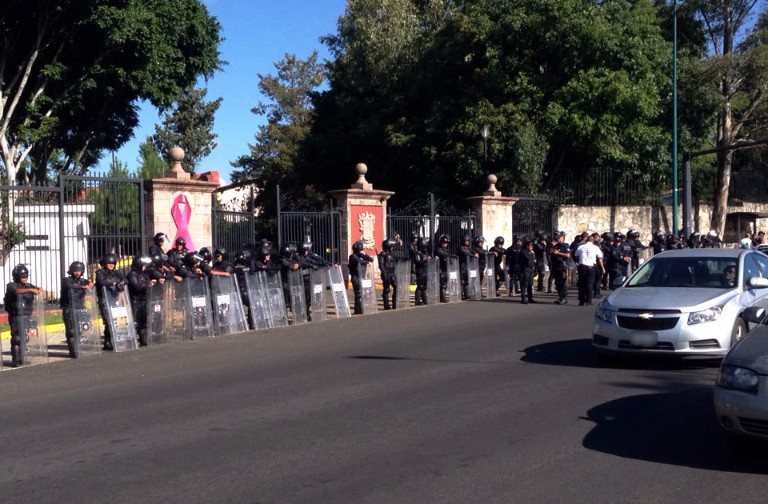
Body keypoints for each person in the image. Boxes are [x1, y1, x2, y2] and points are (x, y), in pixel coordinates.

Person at [4, 264, 43, 366]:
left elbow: (37, 289)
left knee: (24, 338)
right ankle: (15, 360)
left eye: (26, 276)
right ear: (17, 277)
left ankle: (23, 358)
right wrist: (31, 290)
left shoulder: (29, 285)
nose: (25, 278)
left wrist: (39, 290)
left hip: (26, 315)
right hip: (16, 316)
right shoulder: (11, 285)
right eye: (23, 276)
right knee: (17, 338)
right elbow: (16, 291)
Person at [60, 261, 95, 358]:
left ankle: (78, 349)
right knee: (71, 331)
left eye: (79, 271)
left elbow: (90, 284)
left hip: (80, 308)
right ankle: (73, 352)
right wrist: (83, 287)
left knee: (79, 331)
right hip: (69, 309)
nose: (77, 273)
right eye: (75, 271)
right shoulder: (66, 280)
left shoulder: (83, 281)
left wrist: (90, 284)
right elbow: (69, 286)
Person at [95, 253, 127, 350]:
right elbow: (101, 282)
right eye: (109, 263)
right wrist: (113, 283)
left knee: (115, 320)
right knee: (108, 321)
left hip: (114, 299)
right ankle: (107, 341)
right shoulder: (100, 273)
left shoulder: (117, 272)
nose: (111, 265)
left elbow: (126, 280)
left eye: (113, 263)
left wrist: (121, 283)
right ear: (105, 264)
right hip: (104, 299)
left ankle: (113, 340)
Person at [126, 256, 153, 346]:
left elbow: (147, 281)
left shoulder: (142, 274)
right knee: (135, 321)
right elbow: (137, 286)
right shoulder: (132, 274)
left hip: (143, 299)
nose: (144, 266)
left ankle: (143, 339)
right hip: (135, 300)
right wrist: (148, 285)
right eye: (143, 265)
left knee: (144, 320)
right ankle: (132, 340)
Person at [574, 235, 605, 306]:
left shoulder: (581, 247)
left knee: (582, 283)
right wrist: (603, 268)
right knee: (589, 284)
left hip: (582, 266)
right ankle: (588, 301)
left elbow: (576, 255)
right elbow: (600, 257)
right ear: (593, 241)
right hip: (591, 267)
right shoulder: (595, 247)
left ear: (586, 240)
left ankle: (581, 301)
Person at [348, 240, 374, 314]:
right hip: (356, 277)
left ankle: (359, 309)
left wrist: (364, 255)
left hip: (362, 277)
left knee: (362, 294)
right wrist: (366, 261)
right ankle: (359, 310)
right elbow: (358, 262)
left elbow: (371, 259)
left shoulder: (361, 256)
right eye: (360, 250)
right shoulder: (353, 256)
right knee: (358, 294)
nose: (361, 251)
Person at [550, 232, 570, 304]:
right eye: (557, 237)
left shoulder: (565, 246)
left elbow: (568, 255)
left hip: (562, 266)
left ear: (562, 238)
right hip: (555, 266)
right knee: (557, 283)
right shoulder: (555, 246)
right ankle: (560, 297)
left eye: (559, 237)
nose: (557, 239)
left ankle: (564, 298)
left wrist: (558, 253)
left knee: (562, 283)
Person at [378, 239, 398, 310]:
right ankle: (386, 305)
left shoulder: (392, 254)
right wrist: (384, 274)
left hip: (392, 273)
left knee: (396, 287)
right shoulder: (382, 254)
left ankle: (395, 304)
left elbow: (397, 260)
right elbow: (381, 265)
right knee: (386, 289)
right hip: (386, 273)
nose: (392, 248)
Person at [434, 234, 454, 303]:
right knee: (442, 284)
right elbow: (443, 254)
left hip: (445, 268)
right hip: (440, 269)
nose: (445, 244)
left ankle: (443, 296)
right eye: (444, 243)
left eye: (446, 243)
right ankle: (442, 298)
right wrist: (451, 256)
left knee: (445, 284)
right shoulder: (438, 249)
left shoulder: (446, 250)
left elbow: (447, 257)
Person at [518, 239, 537, 304]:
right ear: (526, 246)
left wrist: (533, 257)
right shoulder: (523, 252)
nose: (531, 247)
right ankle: (523, 298)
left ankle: (530, 298)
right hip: (525, 269)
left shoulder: (532, 253)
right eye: (530, 246)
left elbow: (534, 261)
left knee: (530, 283)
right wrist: (532, 261)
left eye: (532, 246)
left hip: (531, 269)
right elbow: (528, 261)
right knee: (524, 283)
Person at [413, 237, 430, 305]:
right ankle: (417, 300)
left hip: (425, 271)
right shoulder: (418, 254)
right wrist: (424, 261)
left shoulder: (425, 253)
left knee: (424, 286)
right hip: (420, 271)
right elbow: (417, 262)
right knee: (420, 286)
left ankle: (424, 299)